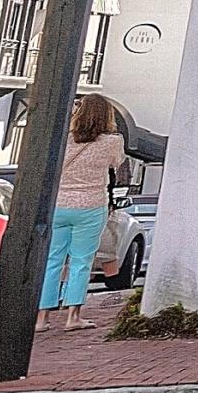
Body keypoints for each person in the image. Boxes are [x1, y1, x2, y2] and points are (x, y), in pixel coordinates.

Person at [40, 93, 126, 332]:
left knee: (52, 260)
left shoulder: (64, 139)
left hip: (59, 205)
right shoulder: (112, 141)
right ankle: (72, 317)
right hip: (90, 206)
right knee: (81, 261)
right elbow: (116, 163)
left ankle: (41, 318)